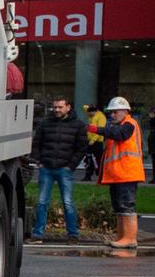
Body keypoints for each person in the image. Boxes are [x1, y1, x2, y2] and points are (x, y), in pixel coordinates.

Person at [27, 96, 85, 243]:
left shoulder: (78, 125)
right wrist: (39, 161)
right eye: (55, 107)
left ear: (68, 107)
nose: (57, 110)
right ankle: (38, 234)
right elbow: (36, 143)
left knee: (68, 203)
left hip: (65, 169)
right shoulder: (45, 124)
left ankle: (73, 234)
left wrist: (71, 165)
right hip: (46, 167)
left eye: (60, 107)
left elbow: (81, 148)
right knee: (42, 202)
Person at [96, 96, 145, 253]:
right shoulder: (120, 125)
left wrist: (95, 129)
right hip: (119, 174)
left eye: (115, 112)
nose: (112, 115)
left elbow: (119, 135)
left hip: (127, 173)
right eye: (111, 112)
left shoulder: (129, 124)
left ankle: (129, 238)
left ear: (125, 111)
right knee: (119, 206)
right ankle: (122, 237)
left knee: (126, 206)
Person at [83, 104, 106, 180]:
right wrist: (88, 107)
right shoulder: (91, 114)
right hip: (89, 141)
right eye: (89, 112)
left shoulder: (101, 117)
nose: (89, 114)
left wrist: (92, 141)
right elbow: (85, 108)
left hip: (98, 142)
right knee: (88, 159)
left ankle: (101, 176)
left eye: (91, 112)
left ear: (96, 111)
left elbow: (100, 130)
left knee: (99, 159)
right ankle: (88, 175)